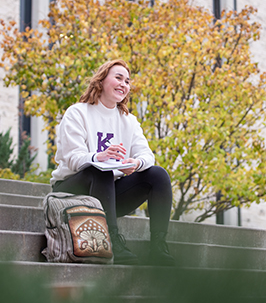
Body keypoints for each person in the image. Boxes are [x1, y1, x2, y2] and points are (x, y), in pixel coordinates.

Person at [50, 59, 175, 266]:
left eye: (127, 81)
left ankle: (158, 247)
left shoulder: (128, 120)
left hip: (108, 196)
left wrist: (134, 163)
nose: (124, 84)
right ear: (101, 81)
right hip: (72, 192)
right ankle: (112, 241)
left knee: (157, 174)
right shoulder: (78, 112)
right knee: (101, 169)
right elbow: (71, 158)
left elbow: (147, 155)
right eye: (118, 77)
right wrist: (98, 157)